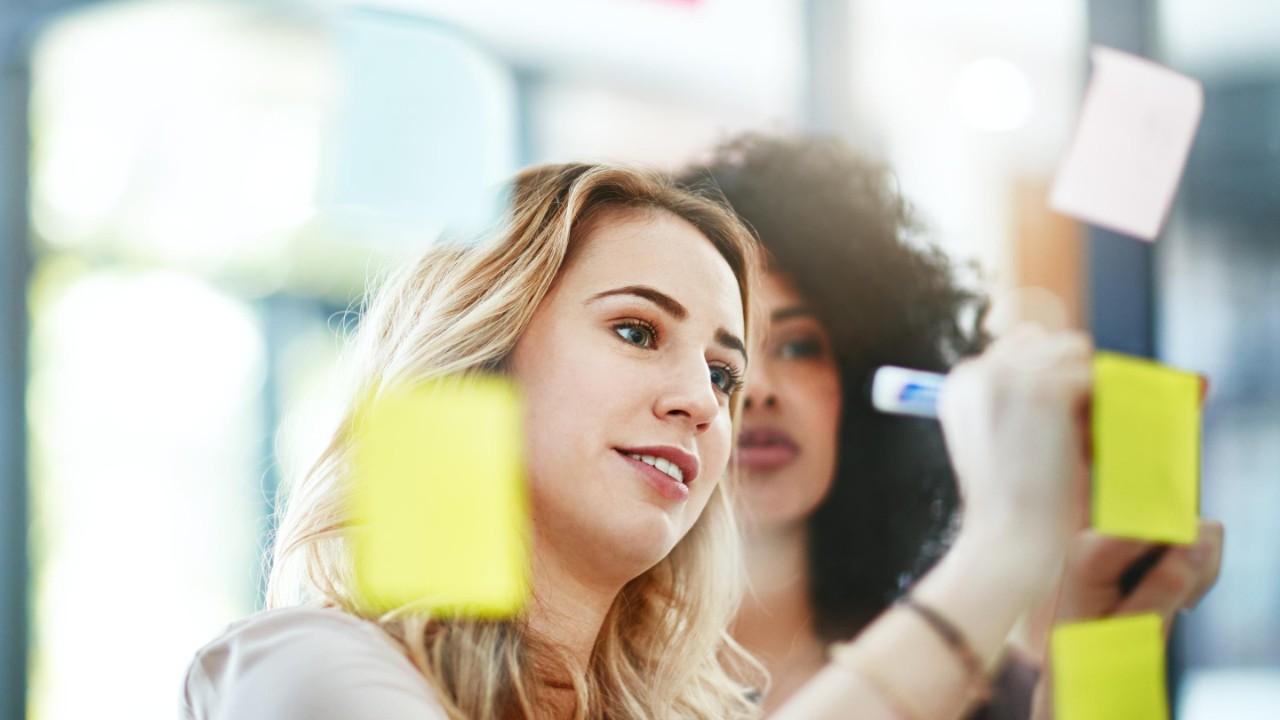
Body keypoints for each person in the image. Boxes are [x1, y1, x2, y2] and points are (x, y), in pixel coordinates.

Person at [182, 160, 1101, 720]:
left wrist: (1099, 620)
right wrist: (997, 554)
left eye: (722, 373)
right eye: (636, 331)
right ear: (480, 360)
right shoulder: (301, 672)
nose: (706, 404)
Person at [675, 134, 1224, 716]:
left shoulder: (984, 689)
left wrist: (1104, 641)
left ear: (862, 379)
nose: (756, 389)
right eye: (721, 359)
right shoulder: (592, 677)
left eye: (800, 346)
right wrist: (1004, 544)